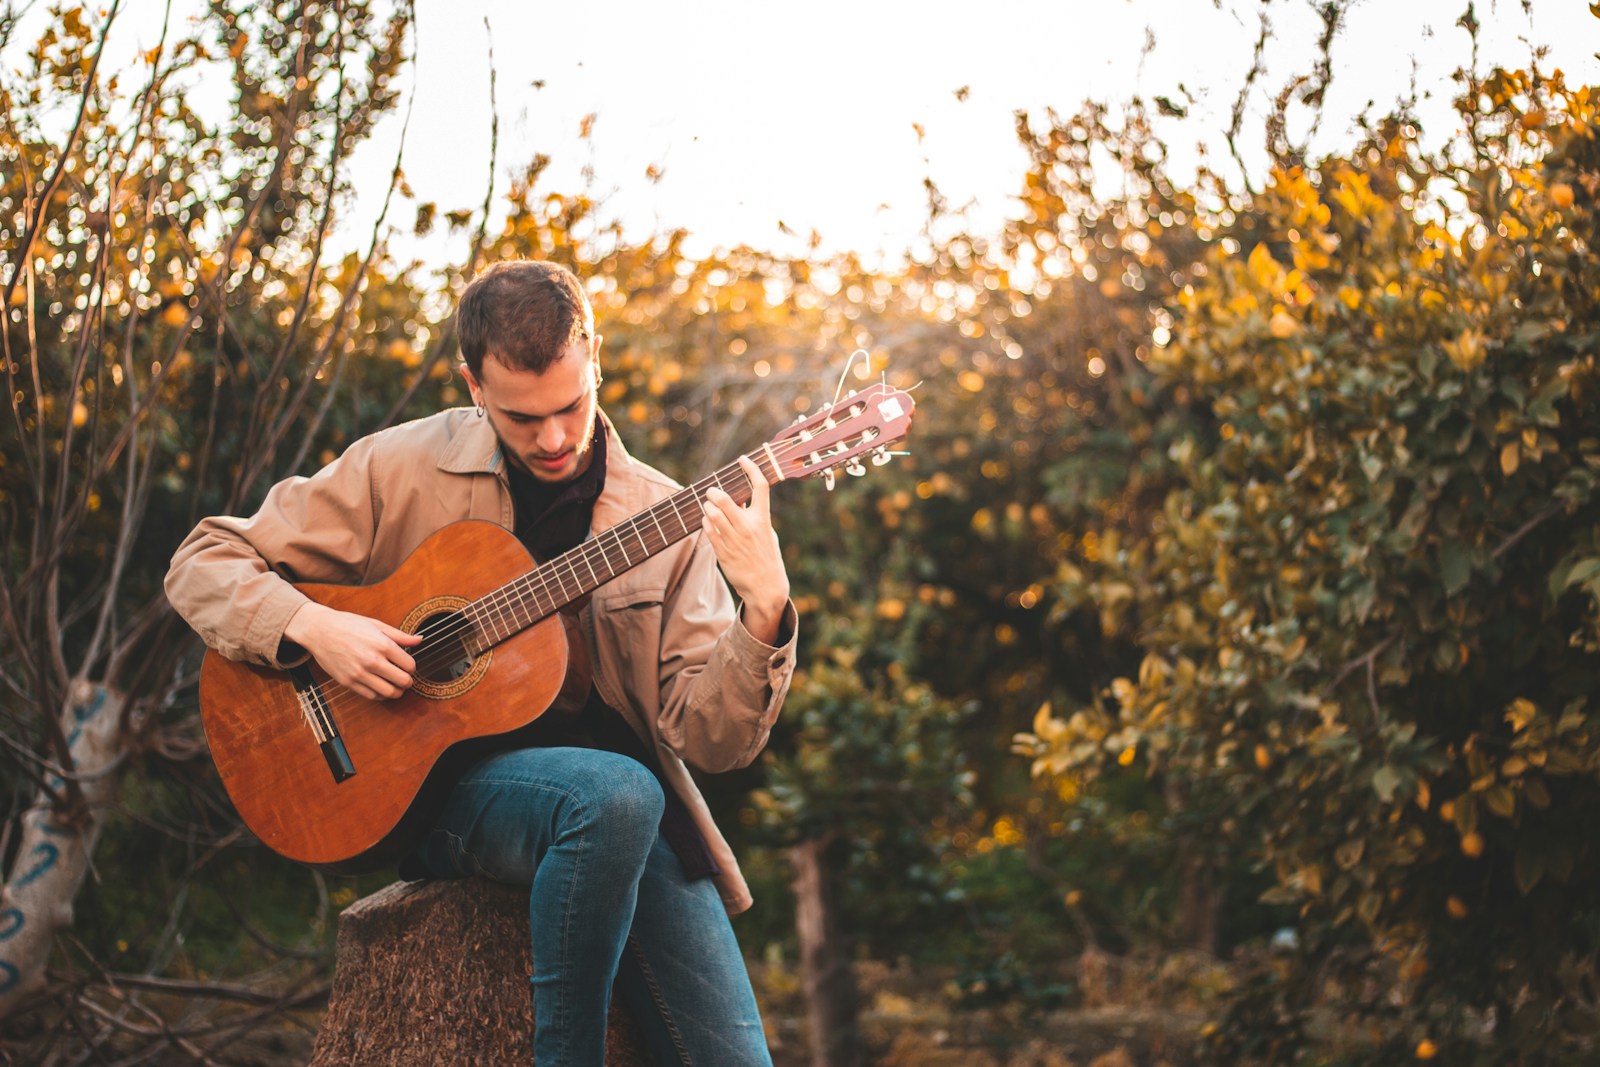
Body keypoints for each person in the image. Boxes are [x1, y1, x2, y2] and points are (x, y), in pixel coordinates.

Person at [165, 259, 796, 1065]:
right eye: (523, 418)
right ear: (473, 383)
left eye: (571, 405)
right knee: (615, 793)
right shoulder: (401, 466)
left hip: (634, 820)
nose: (556, 437)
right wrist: (315, 628)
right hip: (444, 791)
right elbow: (203, 559)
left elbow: (713, 742)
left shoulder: (661, 518)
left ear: (594, 358)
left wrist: (765, 611)